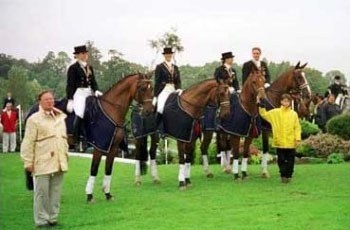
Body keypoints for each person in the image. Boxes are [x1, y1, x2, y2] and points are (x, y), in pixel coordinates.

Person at [20, 90, 69, 228]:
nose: (50, 101)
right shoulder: (34, 119)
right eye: (46, 99)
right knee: (41, 193)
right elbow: (28, 142)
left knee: (56, 192)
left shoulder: (60, 117)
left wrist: (65, 155)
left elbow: (63, 139)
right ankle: (41, 221)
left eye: (52, 99)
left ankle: (53, 218)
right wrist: (28, 161)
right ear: (40, 102)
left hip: (59, 160)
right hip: (41, 162)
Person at [259, 94, 301, 183]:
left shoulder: (294, 114)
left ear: (290, 102)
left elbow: (297, 127)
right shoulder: (275, 112)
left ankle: (289, 175)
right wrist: (261, 105)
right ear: (281, 101)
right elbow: (264, 115)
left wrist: (297, 138)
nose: (286, 103)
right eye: (284, 101)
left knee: (290, 160)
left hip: (290, 142)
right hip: (279, 142)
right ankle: (283, 175)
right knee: (281, 160)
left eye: (287, 101)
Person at [66, 45, 102, 149]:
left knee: (98, 110)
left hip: (89, 92)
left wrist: (97, 90)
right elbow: (70, 84)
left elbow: (93, 81)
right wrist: (70, 99)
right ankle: (76, 137)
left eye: (85, 53)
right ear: (77, 55)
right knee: (81, 111)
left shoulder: (89, 67)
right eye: (82, 54)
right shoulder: (73, 68)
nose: (84, 55)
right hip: (79, 93)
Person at [153, 47, 181, 113]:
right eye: (167, 54)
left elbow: (178, 80)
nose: (168, 55)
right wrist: (155, 96)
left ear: (171, 55)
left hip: (174, 89)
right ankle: (159, 122)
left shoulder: (176, 67)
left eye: (170, 54)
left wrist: (179, 88)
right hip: (164, 89)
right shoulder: (159, 67)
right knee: (160, 108)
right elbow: (157, 82)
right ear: (164, 55)